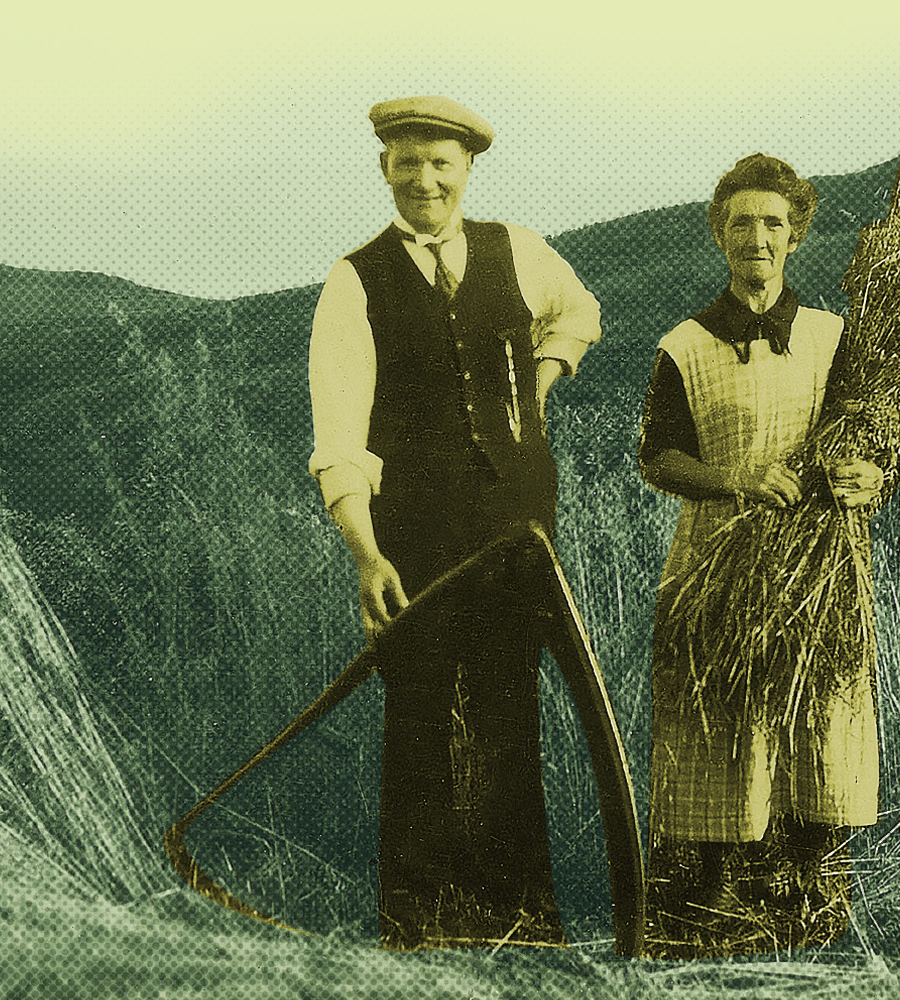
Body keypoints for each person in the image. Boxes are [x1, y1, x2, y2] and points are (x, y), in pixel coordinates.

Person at [306, 95, 603, 950]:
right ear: (384, 169)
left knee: (511, 711)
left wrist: (539, 385)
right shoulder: (354, 280)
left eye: (442, 163)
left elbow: (579, 311)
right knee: (423, 720)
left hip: (519, 532)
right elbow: (340, 435)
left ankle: (521, 921)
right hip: (416, 539)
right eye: (408, 162)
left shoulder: (521, 250)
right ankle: (419, 926)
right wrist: (365, 552)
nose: (425, 179)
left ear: (468, 169)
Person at [636, 154, 884, 958]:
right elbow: (658, 457)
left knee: (822, 712)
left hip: (819, 567)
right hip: (718, 556)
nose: (757, 237)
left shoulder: (832, 338)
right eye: (741, 221)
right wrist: (733, 480)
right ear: (719, 232)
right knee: (718, 713)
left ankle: (812, 889)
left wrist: (868, 474)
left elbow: (871, 438)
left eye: (773, 223)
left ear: (795, 235)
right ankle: (708, 899)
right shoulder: (684, 345)